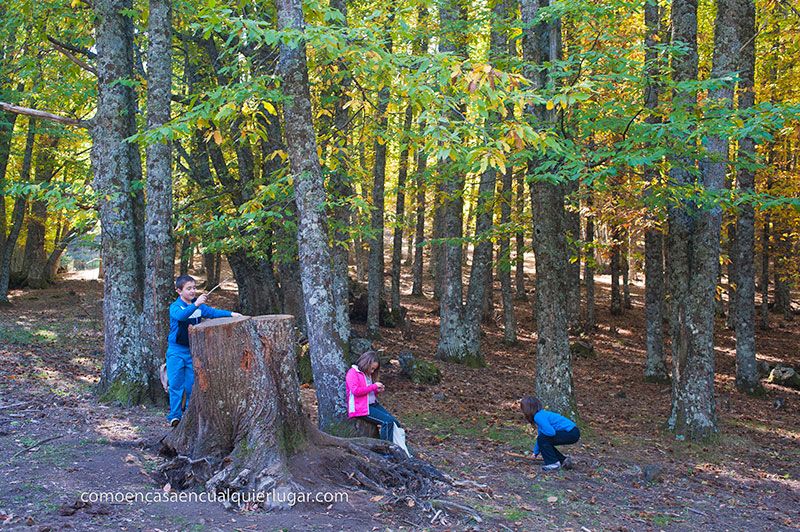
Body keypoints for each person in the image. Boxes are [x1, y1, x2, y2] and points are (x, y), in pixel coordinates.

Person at [166, 275, 241, 426]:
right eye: (188, 289)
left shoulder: (199, 306)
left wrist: (232, 314)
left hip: (193, 351)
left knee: (191, 384)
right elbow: (181, 317)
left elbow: (213, 313)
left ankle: (189, 415)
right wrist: (196, 305)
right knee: (175, 384)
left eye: (194, 288)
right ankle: (174, 416)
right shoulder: (175, 307)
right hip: (176, 351)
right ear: (179, 291)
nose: (193, 291)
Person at [346, 351, 400, 442]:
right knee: (387, 422)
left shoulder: (368, 375)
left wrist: (376, 391)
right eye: (372, 368)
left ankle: (397, 446)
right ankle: (386, 451)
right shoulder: (353, 373)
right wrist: (373, 386)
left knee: (395, 423)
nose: (372, 371)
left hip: (372, 404)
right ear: (365, 363)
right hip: (360, 407)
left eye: (374, 369)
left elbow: (368, 392)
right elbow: (355, 391)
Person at [520, 396, 580, 471]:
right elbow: (541, 436)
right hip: (573, 432)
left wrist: (541, 438)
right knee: (544, 440)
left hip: (570, 432)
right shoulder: (540, 415)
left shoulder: (538, 416)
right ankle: (563, 460)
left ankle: (553, 463)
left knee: (543, 439)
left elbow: (551, 432)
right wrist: (535, 453)